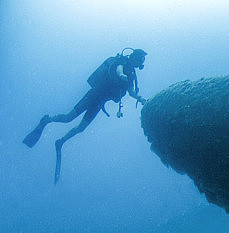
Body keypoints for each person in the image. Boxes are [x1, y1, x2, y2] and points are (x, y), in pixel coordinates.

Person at [23, 48, 149, 183]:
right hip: (93, 95)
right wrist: (121, 75)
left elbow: (131, 92)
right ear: (135, 57)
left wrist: (140, 99)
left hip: (99, 102)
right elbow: (118, 70)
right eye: (141, 60)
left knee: (81, 128)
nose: (141, 63)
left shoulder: (132, 74)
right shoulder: (122, 62)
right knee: (68, 118)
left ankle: (60, 141)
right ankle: (47, 119)